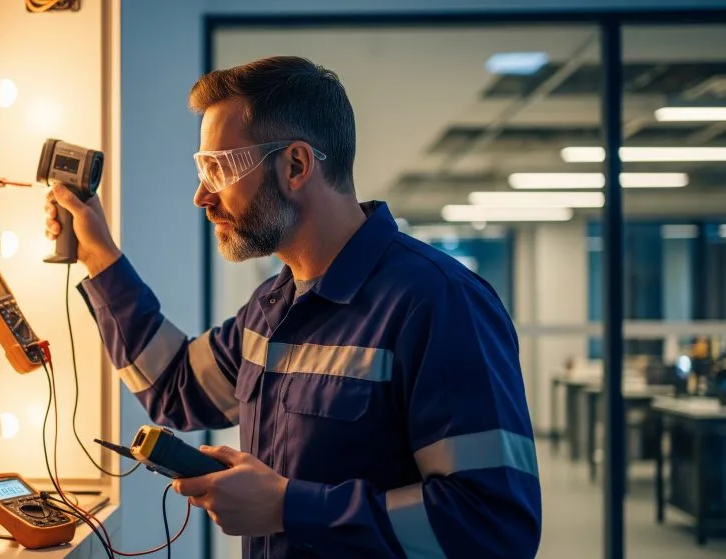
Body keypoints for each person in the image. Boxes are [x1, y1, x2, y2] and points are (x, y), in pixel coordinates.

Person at [45, 56, 542, 559]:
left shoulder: (439, 303)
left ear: (297, 165)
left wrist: (287, 507)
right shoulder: (272, 307)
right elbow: (176, 386)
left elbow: (493, 526)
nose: (202, 196)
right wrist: (97, 253)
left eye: (218, 168)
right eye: (203, 170)